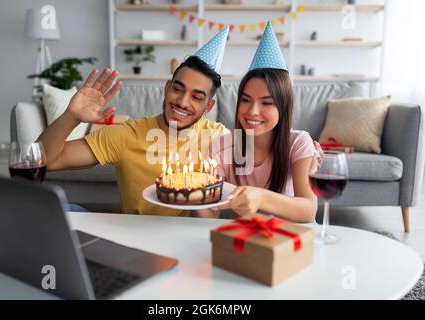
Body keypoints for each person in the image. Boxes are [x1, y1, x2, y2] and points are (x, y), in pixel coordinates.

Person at [38, 27, 231, 216]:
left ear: (208, 106)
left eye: (197, 97)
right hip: (134, 236)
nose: (182, 102)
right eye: (178, 89)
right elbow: (42, 162)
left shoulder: (219, 139)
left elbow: (211, 219)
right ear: (167, 88)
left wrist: (195, 192)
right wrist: (70, 117)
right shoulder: (127, 135)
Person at [197, 22, 318, 223]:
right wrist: (196, 195)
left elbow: (308, 210)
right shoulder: (221, 146)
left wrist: (260, 197)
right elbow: (209, 216)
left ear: (283, 106)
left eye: (266, 103)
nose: (252, 111)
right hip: (247, 241)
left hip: (292, 240)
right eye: (245, 100)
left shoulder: (298, 143)